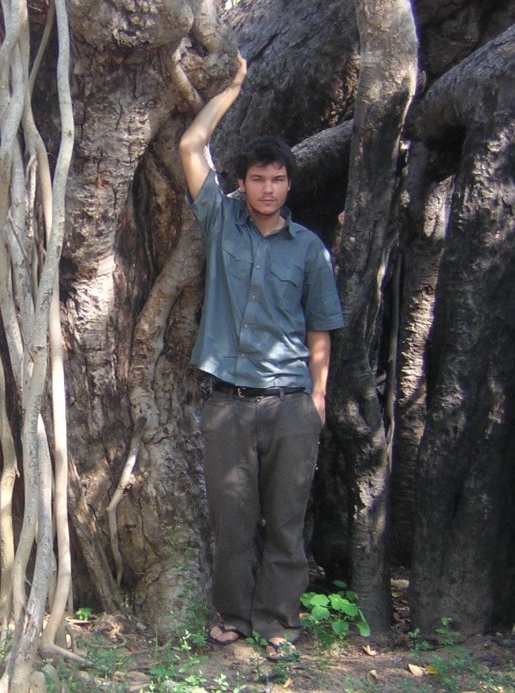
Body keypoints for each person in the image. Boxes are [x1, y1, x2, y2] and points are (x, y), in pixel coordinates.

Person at [178, 55, 344, 660]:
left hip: (292, 403)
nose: (267, 189)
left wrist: (317, 399)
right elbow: (192, 143)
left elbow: (321, 328)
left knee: (286, 521)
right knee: (232, 520)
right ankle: (232, 618)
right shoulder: (222, 224)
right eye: (257, 179)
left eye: (277, 180)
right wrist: (231, 87)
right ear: (242, 183)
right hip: (227, 402)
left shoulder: (310, 250)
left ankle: (278, 622)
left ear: (288, 185)